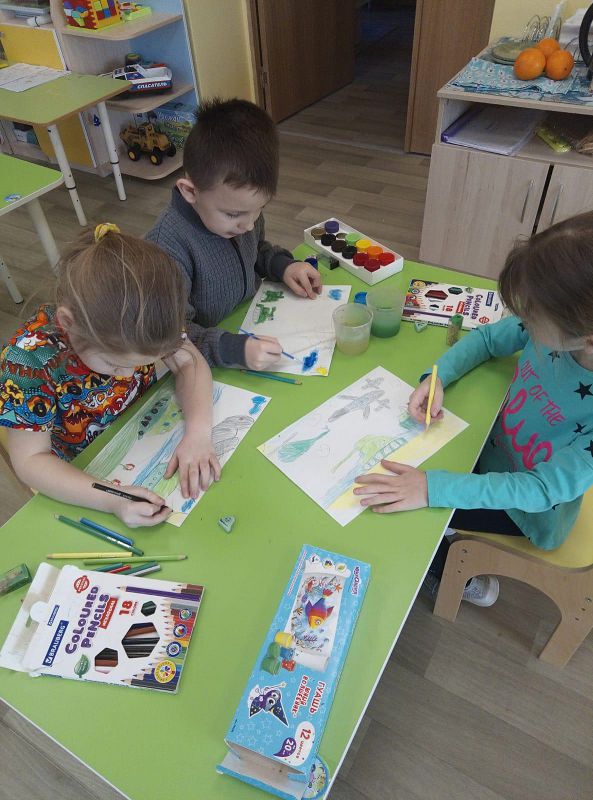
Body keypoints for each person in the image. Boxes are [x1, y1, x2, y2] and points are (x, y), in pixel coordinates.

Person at [354, 211, 593, 606]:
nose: (523, 319)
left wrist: (433, 489)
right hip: (488, 450)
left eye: (533, 314)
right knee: (410, 475)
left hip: (525, 510)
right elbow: (487, 339)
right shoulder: (554, 327)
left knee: (404, 510)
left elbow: (540, 490)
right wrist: (438, 378)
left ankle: (449, 573)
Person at [0, 224, 220, 528]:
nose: (128, 375)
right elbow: (30, 461)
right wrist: (111, 498)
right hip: (81, 474)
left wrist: (198, 433)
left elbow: (188, 362)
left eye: (144, 364)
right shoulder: (28, 361)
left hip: (140, 432)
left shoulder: (148, 314)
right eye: (115, 365)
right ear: (68, 323)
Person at [145, 97, 322, 370]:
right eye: (233, 215)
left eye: (259, 209)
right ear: (190, 191)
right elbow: (172, 337)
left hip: (248, 321)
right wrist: (233, 349)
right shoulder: (166, 250)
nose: (248, 225)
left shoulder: (243, 213)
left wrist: (284, 266)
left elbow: (256, 250)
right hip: (208, 360)